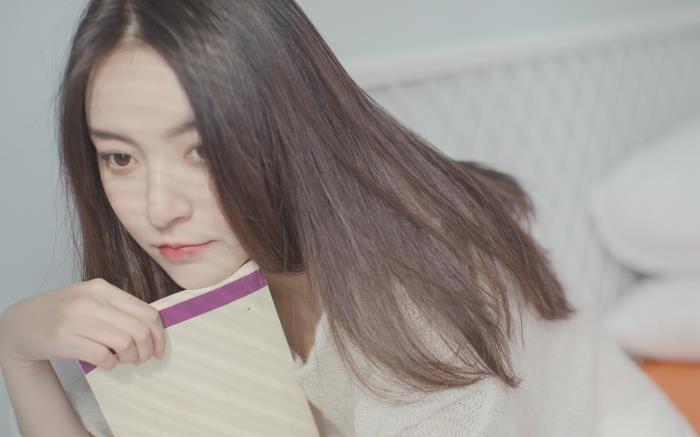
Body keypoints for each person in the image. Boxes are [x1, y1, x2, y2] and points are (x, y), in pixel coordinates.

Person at [0, 1, 696, 436]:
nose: (157, 208)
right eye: (120, 157)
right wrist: (17, 352)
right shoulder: (192, 276)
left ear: (289, 129)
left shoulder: (423, 293)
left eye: (202, 149)